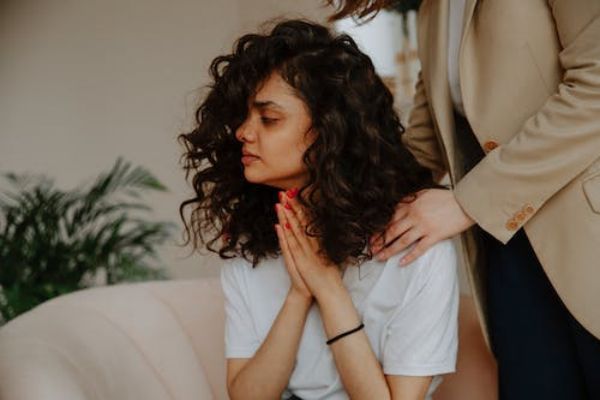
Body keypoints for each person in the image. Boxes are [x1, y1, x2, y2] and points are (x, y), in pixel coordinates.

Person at [327, 1, 600, 399]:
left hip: (585, 233)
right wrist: (338, 203)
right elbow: (430, 126)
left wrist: (465, 203)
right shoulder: (434, 8)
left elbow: (595, 90)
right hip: (506, 243)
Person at [179, 19, 460, 400]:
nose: (243, 132)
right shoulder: (251, 242)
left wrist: (327, 288)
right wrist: (299, 295)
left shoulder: (416, 247)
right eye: (243, 117)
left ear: (331, 129)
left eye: (269, 119)